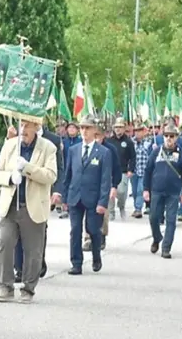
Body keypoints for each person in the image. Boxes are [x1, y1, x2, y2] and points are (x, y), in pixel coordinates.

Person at [0, 119, 58, 303]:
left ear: (36, 127)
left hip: (33, 207)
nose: (23, 129)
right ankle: (5, 286)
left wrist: (27, 168)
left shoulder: (48, 148)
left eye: (27, 125)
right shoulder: (10, 145)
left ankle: (28, 288)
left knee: (33, 250)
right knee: (4, 243)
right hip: (11, 206)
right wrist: (10, 178)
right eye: (21, 125)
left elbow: (51, 176)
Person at [60, 114, 112, 275]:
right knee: (75, 230)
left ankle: (96, 256)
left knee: (93, 229)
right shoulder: (73, 150)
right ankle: (76, 263)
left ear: (94, 130)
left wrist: (103, 202)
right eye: (82, 127)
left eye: (87, 128)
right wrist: (65, 196)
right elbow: (67, 174)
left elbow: (105, 180)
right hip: (75, 196)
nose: (84, 131)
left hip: (94, 198)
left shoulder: (103, 152)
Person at [14, 121, 64, 282]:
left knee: (38, 230)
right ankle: (20, 268)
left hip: (42, 191)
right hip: (19, 194)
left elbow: (58, 168)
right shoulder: (17, 139)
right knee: (17, 232)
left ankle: (38, 262)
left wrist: (57, 191)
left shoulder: (53, 141)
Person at [142, 123, 182, 259]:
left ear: (176, 137)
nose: (169, 138)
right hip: (157, 190)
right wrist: (146, 189)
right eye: (166, 135)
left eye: (171, 136)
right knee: (153, 217)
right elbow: (148, 170)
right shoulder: (156, 152)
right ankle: (157, 238)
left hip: (173, 192)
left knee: (171, 220)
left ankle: (166, 248)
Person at [82, 118, 120, 251]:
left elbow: (116, 170)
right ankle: (88, 238)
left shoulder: (109, 150)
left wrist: (114, 186)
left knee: (103, 212)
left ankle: (102, 235)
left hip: (105, 185)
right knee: (87, 214)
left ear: (103, 136)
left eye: (98, 136)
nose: (96, 138)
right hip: (89, 186)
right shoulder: (85, 148)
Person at [106, 117, 135, 220]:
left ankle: (121, 206)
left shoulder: (128, 142)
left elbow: (133, 157)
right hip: (110, 170)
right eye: (116, 127)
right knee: (110, 192)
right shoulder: (108, 141)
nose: (118, 129)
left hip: (123, 171)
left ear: (124, 128)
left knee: (122, 191)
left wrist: (131, 169)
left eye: (120, 127)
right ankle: (111, 212)